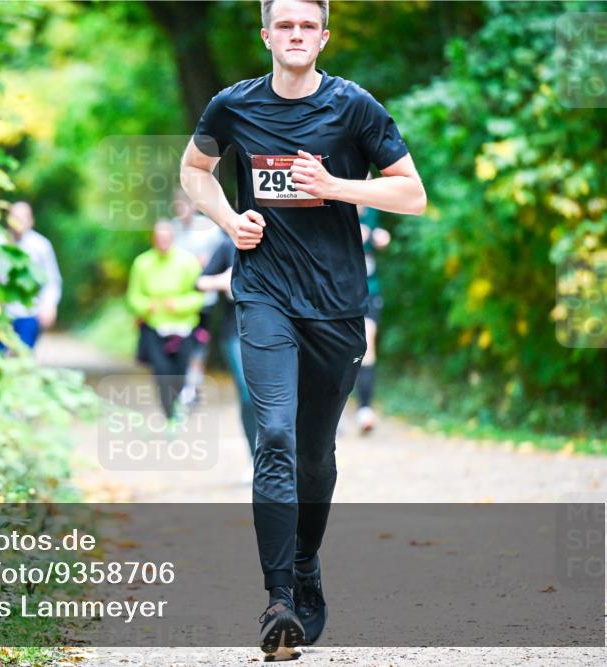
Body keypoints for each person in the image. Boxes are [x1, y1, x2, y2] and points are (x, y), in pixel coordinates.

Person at [179, 0, 426, 658]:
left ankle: (307, 563)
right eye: (282, 25)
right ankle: (278, 597)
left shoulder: (354, 108)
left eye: (305, 26)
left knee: (316, 454)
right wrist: (232, 223)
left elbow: (412, 194)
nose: (294, 35)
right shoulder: (233, 105)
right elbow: (194, 171)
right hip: (264, 294)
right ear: (266, 34)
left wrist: (338, 185)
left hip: (338, 306)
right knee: (277, 435)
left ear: (323, 36)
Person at [126, 220, 205, 420]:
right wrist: (146, 306)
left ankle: (178, 405)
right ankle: (169, 413)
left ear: (173, 239)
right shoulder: (142, 263)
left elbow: (199, 296)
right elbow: (133, 296)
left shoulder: (188, 261)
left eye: (167, 238)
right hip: (155, 327)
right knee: (161, 372)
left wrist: (178, 305)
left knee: (179, 373)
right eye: (159, 238)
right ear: (153, 239)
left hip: (183, 328)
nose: (163, 242)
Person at [195, 237, 258, 482]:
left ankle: (285, 459)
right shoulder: (228, 243)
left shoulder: (281, 235)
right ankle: (255, 459)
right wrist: (224, 280)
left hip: (280, 329)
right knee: (247, 393)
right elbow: (199, 282)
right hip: (236, 330)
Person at [169, 187, 227, 407]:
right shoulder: (172, 229)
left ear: (194, 206)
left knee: (198, 346)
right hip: (178, 300)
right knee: (179, 344)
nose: (182, 211)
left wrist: (209, 263)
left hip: (204, 300)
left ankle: (192, 388)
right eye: (178, 206)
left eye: (185, 206)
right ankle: (182, 386)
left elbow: (226, 253)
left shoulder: (210, 229)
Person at [0, 201, 62, 350]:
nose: (19, 222)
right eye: (15, 217)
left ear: (31, 220)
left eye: (23, 217)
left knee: (24, 356)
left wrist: (49, 305)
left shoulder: (41, 246)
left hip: (29, 312)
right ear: (8, 219)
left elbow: (52, 280)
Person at [354, 204, 391, 433]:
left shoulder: (372, 211)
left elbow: (380, 235)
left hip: (369, 291)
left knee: (367, 344)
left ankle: (365, 409)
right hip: (338, 291)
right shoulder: (332, 204)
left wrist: (381, 237)